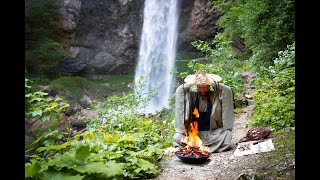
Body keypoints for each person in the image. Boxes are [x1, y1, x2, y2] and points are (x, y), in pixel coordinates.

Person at [172, 70, 235, 153]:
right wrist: (191, 83)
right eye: (199, 87)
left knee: (227, 135)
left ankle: (195, 149)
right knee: (177, 137)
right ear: (196, 86)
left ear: (209, 86)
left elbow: (228, 91)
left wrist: (211, 82)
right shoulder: (192, 95)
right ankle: (202, 148)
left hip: (213, 134)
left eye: (205, 87)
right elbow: (179, 91)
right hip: (194, 135)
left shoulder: (215, 96)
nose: (202, 90)